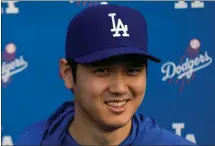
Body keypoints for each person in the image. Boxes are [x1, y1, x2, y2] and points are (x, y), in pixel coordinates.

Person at [15, 3, 196, 145]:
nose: (119, 88)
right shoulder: (32, 141)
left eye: (132, 71)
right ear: (68, 73)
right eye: (102, 70)